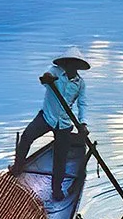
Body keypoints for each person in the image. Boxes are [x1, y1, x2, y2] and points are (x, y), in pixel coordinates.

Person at [10, 45, 89, 203]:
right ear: (65, 63)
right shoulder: (55, 71)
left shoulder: (80, 84)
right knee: (26, 137)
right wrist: (47, 78)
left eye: (75, 64)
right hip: (47, 116)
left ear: (77, 66)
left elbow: (82, 104)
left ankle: (56, 189)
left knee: (60, 158)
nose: (71, 66)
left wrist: (83, 123)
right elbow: (44, 78)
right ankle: (17, 167)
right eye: (69, 63)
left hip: (65, 123)